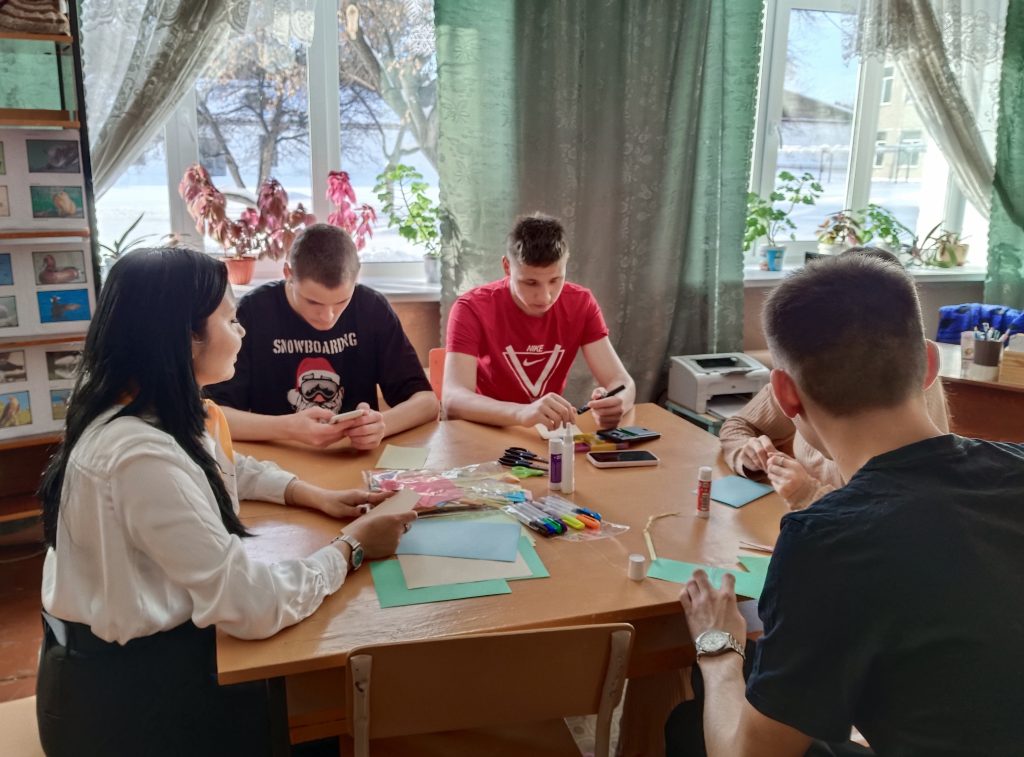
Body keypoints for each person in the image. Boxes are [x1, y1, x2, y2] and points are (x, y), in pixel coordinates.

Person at [36, 248, 417, 757]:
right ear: (186, 337)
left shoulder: (142, 404)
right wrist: (353, 547)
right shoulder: (138, 456)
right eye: (231, 320)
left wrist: (314, 495)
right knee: (323, 702)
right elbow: (253, 605)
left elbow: (223, 464)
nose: (242, 332)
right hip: (130, 704)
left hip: (135, 664)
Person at [668, 255, 1023, 756]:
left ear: (785, 394)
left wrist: (717, 646)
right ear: (929, 365)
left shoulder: (827, 539)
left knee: (694, 721)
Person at [720, 247, 949, 510]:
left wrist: (809, 493)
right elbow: (737, 426)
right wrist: (747, 453)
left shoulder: (908, 398)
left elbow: (891, 513)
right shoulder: (815, 367)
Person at [205, 224, 438, 449]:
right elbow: (210, 414)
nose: (328, 317)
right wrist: (287, 428)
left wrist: (381, 426)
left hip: (351, 456)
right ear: (288, 274)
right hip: (278, 456)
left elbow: (427, 402)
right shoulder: (253, 312)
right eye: (313, 302)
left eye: (342, 301)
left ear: (356, 278)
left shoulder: (372, 308)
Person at [443, 213, 635, 430]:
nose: (545, 297)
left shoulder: (581, 302)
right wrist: (521, 412)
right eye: (530, 282)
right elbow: (453, 399)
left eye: (555, 280)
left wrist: (618, 403)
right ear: (507, 267)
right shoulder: (470, 307)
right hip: (486, 429)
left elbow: (622, 382)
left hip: (543, 433)